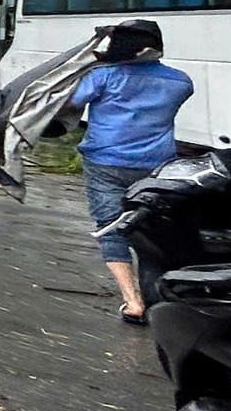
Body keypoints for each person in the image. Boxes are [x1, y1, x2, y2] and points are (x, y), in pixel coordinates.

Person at [64, 18, 193, 325]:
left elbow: (71, 100)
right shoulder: (181, 82)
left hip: (105, 162)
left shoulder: (104, 77)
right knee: (150, 229)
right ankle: (159, 296)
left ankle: (132, 301)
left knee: (111, 226)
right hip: (156, 166)